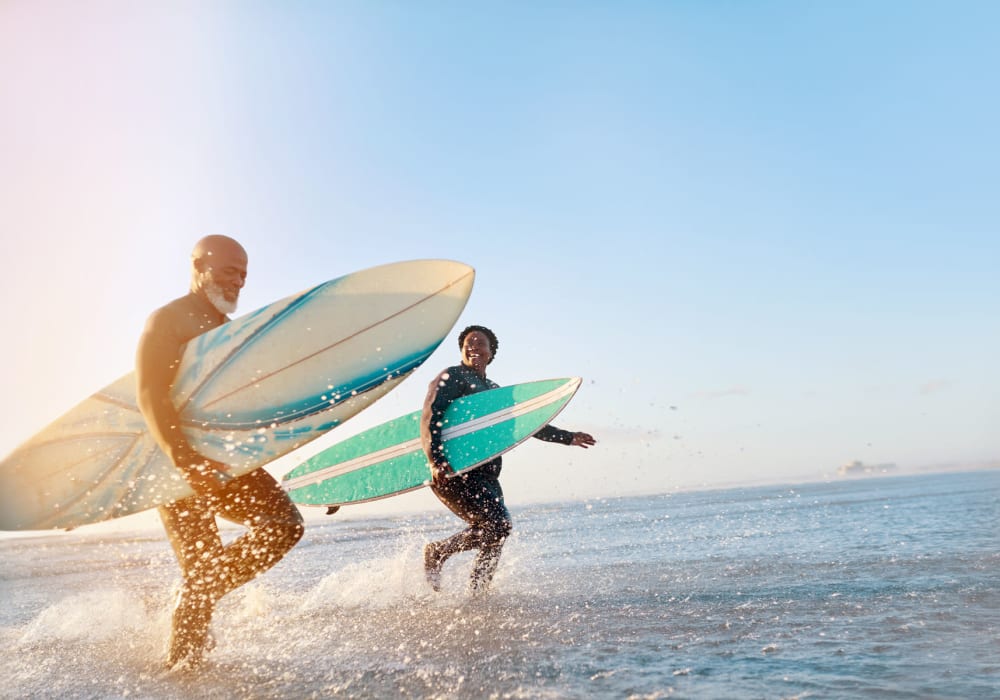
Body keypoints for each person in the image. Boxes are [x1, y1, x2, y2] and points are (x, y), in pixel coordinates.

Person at [135, 235, 304, 669]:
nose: (240, 282)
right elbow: (150, 393)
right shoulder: (168, 319)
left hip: (227, 459)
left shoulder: (227, 330)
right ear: (199, 264)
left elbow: (236, 410)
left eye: (245, 274)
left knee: (284, 525)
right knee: (203, 566)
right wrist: (183, 460)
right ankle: (182, 672)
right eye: (231, 270)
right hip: (178, 466)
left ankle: (194, 596)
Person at [420, 325, 596, 595]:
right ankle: (438, 552)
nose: (474, 347)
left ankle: (477, 593)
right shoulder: (451, 376)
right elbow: (430, 416)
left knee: (495, 535)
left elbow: (527, 424)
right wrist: (435, 459)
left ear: (492, 353)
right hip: (454, 471)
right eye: (469, 343)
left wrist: (567, 437)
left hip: (487, 476)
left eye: (481, 344)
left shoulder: (494, 390)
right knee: (499, 525)